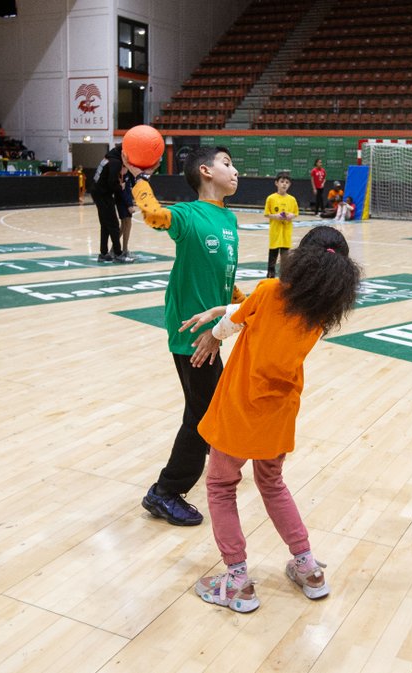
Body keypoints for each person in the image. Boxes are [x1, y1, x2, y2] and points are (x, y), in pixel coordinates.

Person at [182, 226, 361, 613]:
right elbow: (252, 313)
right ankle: (308, 568)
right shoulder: (317, 315)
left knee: (221, 487)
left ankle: (237, 580)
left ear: (301, 259)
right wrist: (224, 310)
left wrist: (214, 332)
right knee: (272, 484)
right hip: (279, 413)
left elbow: (236, 322)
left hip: (241, 409)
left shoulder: (268, 291)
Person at [127, 146, 246, 527]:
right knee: (203, 416)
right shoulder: (188, 214)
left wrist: (245, 303)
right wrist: (140, 180)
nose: (235, 170)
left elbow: (222, 274)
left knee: (205, 408)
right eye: (227, 163)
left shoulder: (228, 219)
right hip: (192, 332)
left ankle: (205, 455)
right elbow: (153, 214)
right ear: (205, 171)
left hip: (214, 330)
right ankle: (165, 492)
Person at [90, 144, 131, 262]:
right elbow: (111, 182)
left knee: (105, 224)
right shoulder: (115, 162)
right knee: (113, 225)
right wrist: (120, 187)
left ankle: (103, 253)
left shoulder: (108, 158)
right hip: (104, 195)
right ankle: (118, 254)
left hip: (97, 192)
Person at [264, 171, 298, 278]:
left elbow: (295, 213)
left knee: (285, 256)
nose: (284, 184)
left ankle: (284, 275)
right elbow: (267, 214)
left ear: (289, 185)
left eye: (287, 182)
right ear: (276, 183)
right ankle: (270, 273)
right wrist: (276, 216)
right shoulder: (271, 198)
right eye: (282, 181)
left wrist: (291, 216)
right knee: (273, 253)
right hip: (275, 231)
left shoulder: (292, 199)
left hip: (286, 232)